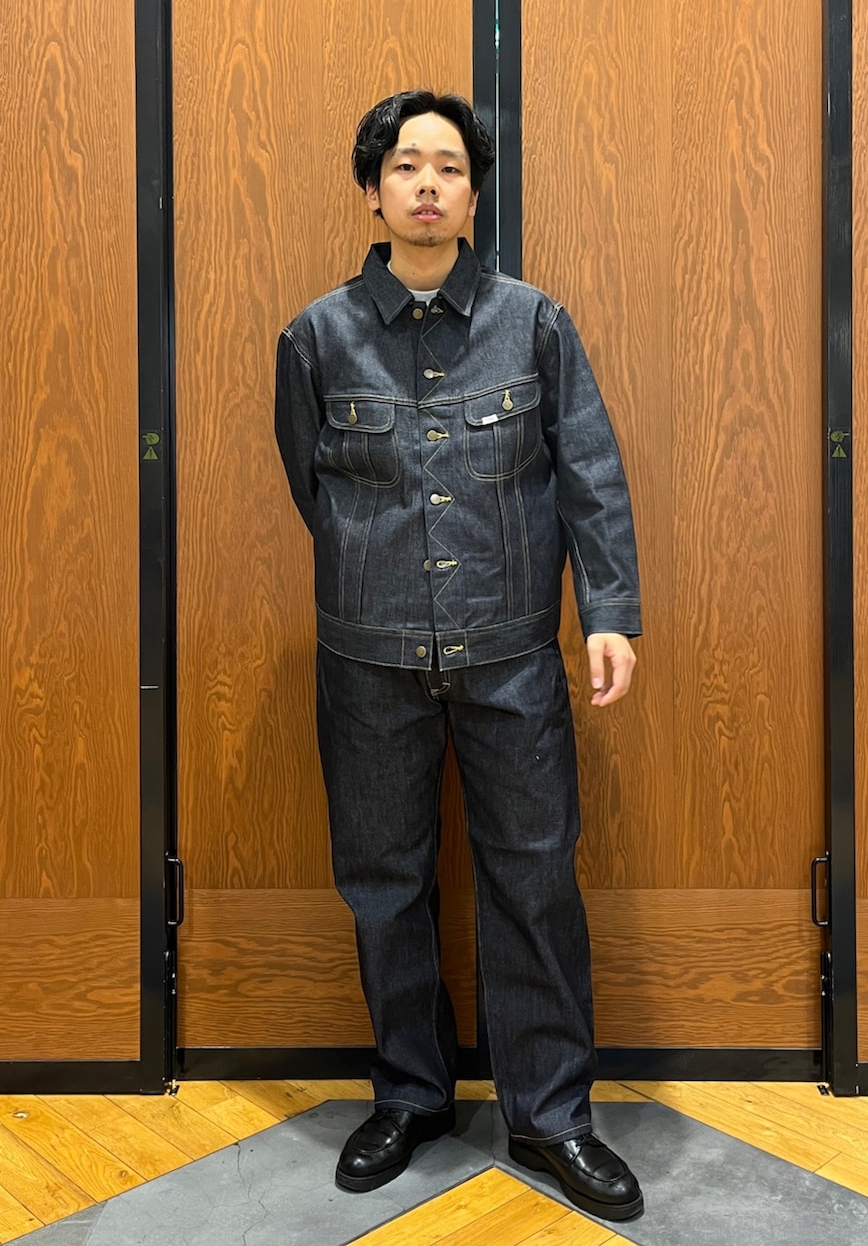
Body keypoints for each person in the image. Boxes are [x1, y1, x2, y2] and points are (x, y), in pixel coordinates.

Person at [274, 90, 643, 1223]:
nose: (426, 183)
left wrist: (608, 609)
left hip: (512, 655)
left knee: (533, 877)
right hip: (367, 658)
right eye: (405, 165)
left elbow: (589, 470)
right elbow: (311, 484)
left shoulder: (535, 324)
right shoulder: (316, 336)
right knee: (383, 882)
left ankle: (552, 1112)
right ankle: (410, 1094)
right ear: (372, 191)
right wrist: (378, 573)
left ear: (474, 194)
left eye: (447, 166)